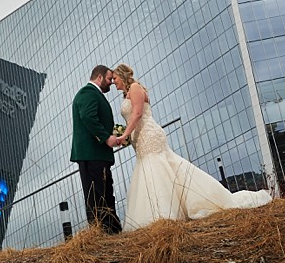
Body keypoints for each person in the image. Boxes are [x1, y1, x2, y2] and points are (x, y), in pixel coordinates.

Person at [112, 63, 272, 231]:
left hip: (150, 135)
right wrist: (129, 136)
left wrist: (124, 135)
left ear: (122, 76)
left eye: (115, 78)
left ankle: (164, 213)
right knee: (154, 172)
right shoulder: (126, 95)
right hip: (140, 139)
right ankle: (157, 213)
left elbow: (137, 113)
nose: (114, 82)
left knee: (156, 170)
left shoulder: (136, 87)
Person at [70, 65, 123, 234]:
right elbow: (88, 116)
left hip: (98, 154)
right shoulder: (88, 93)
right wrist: (106, 138)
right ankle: (103, 233)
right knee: (97, 196)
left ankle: (112, 230)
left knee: (106, 193)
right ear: (99, 77)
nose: (111, 83)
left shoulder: (94, 94)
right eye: (109, 79)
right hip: (92, 155)